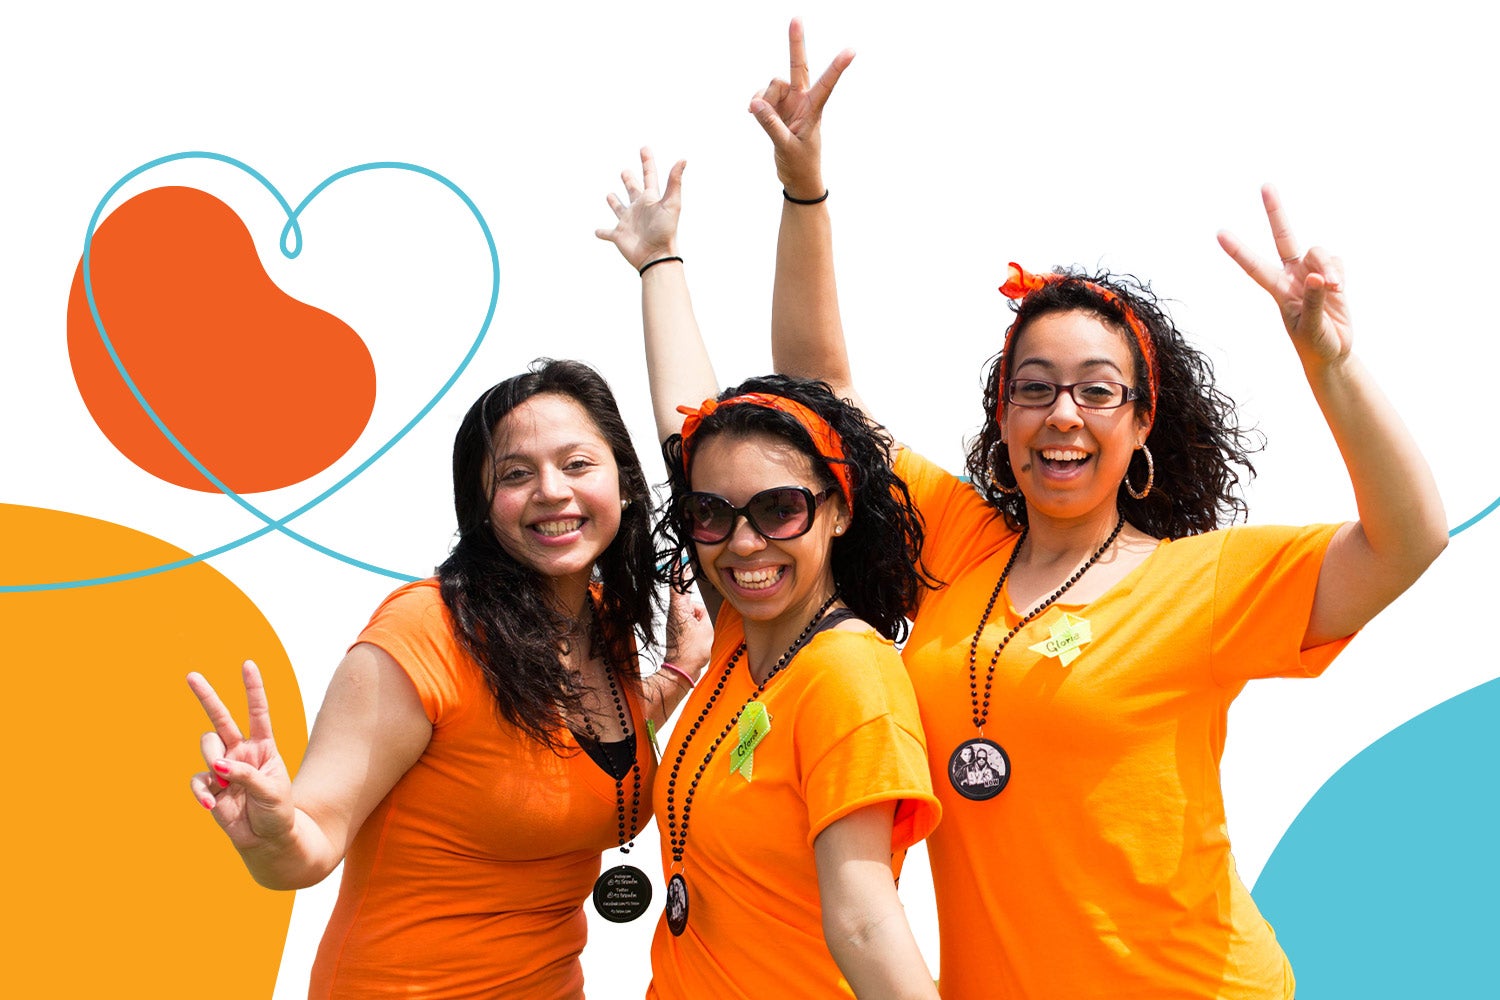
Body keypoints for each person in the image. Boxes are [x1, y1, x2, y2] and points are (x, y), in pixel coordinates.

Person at [750, 20, 1447, 999]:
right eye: (1034, 388)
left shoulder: (1200, 580)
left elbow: (1409, 540)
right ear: (1002, 414)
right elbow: (816, 391)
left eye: (1095, 390)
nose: (1061, 415)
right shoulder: (955, 541)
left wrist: (1329, 364)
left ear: (1140, 421)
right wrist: (803, 190)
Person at [187, 359, 714, 1000]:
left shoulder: (601, 623)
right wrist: (269, 833)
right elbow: (312, 840)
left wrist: (678, 673)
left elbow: (571, 744)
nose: (551, 490)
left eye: (577, 464)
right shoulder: (427, 630)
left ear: (625, 484)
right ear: (483, 504)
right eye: (516, 475)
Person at [597, 150, 943, 1000]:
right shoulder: (738, 641)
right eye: (712, 515)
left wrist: (802, 186)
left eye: (780, 509)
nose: (744, 543)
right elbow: (688, 429)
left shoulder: (847, 674)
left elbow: (863, 918)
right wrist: (658, 264)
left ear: (837, 508)